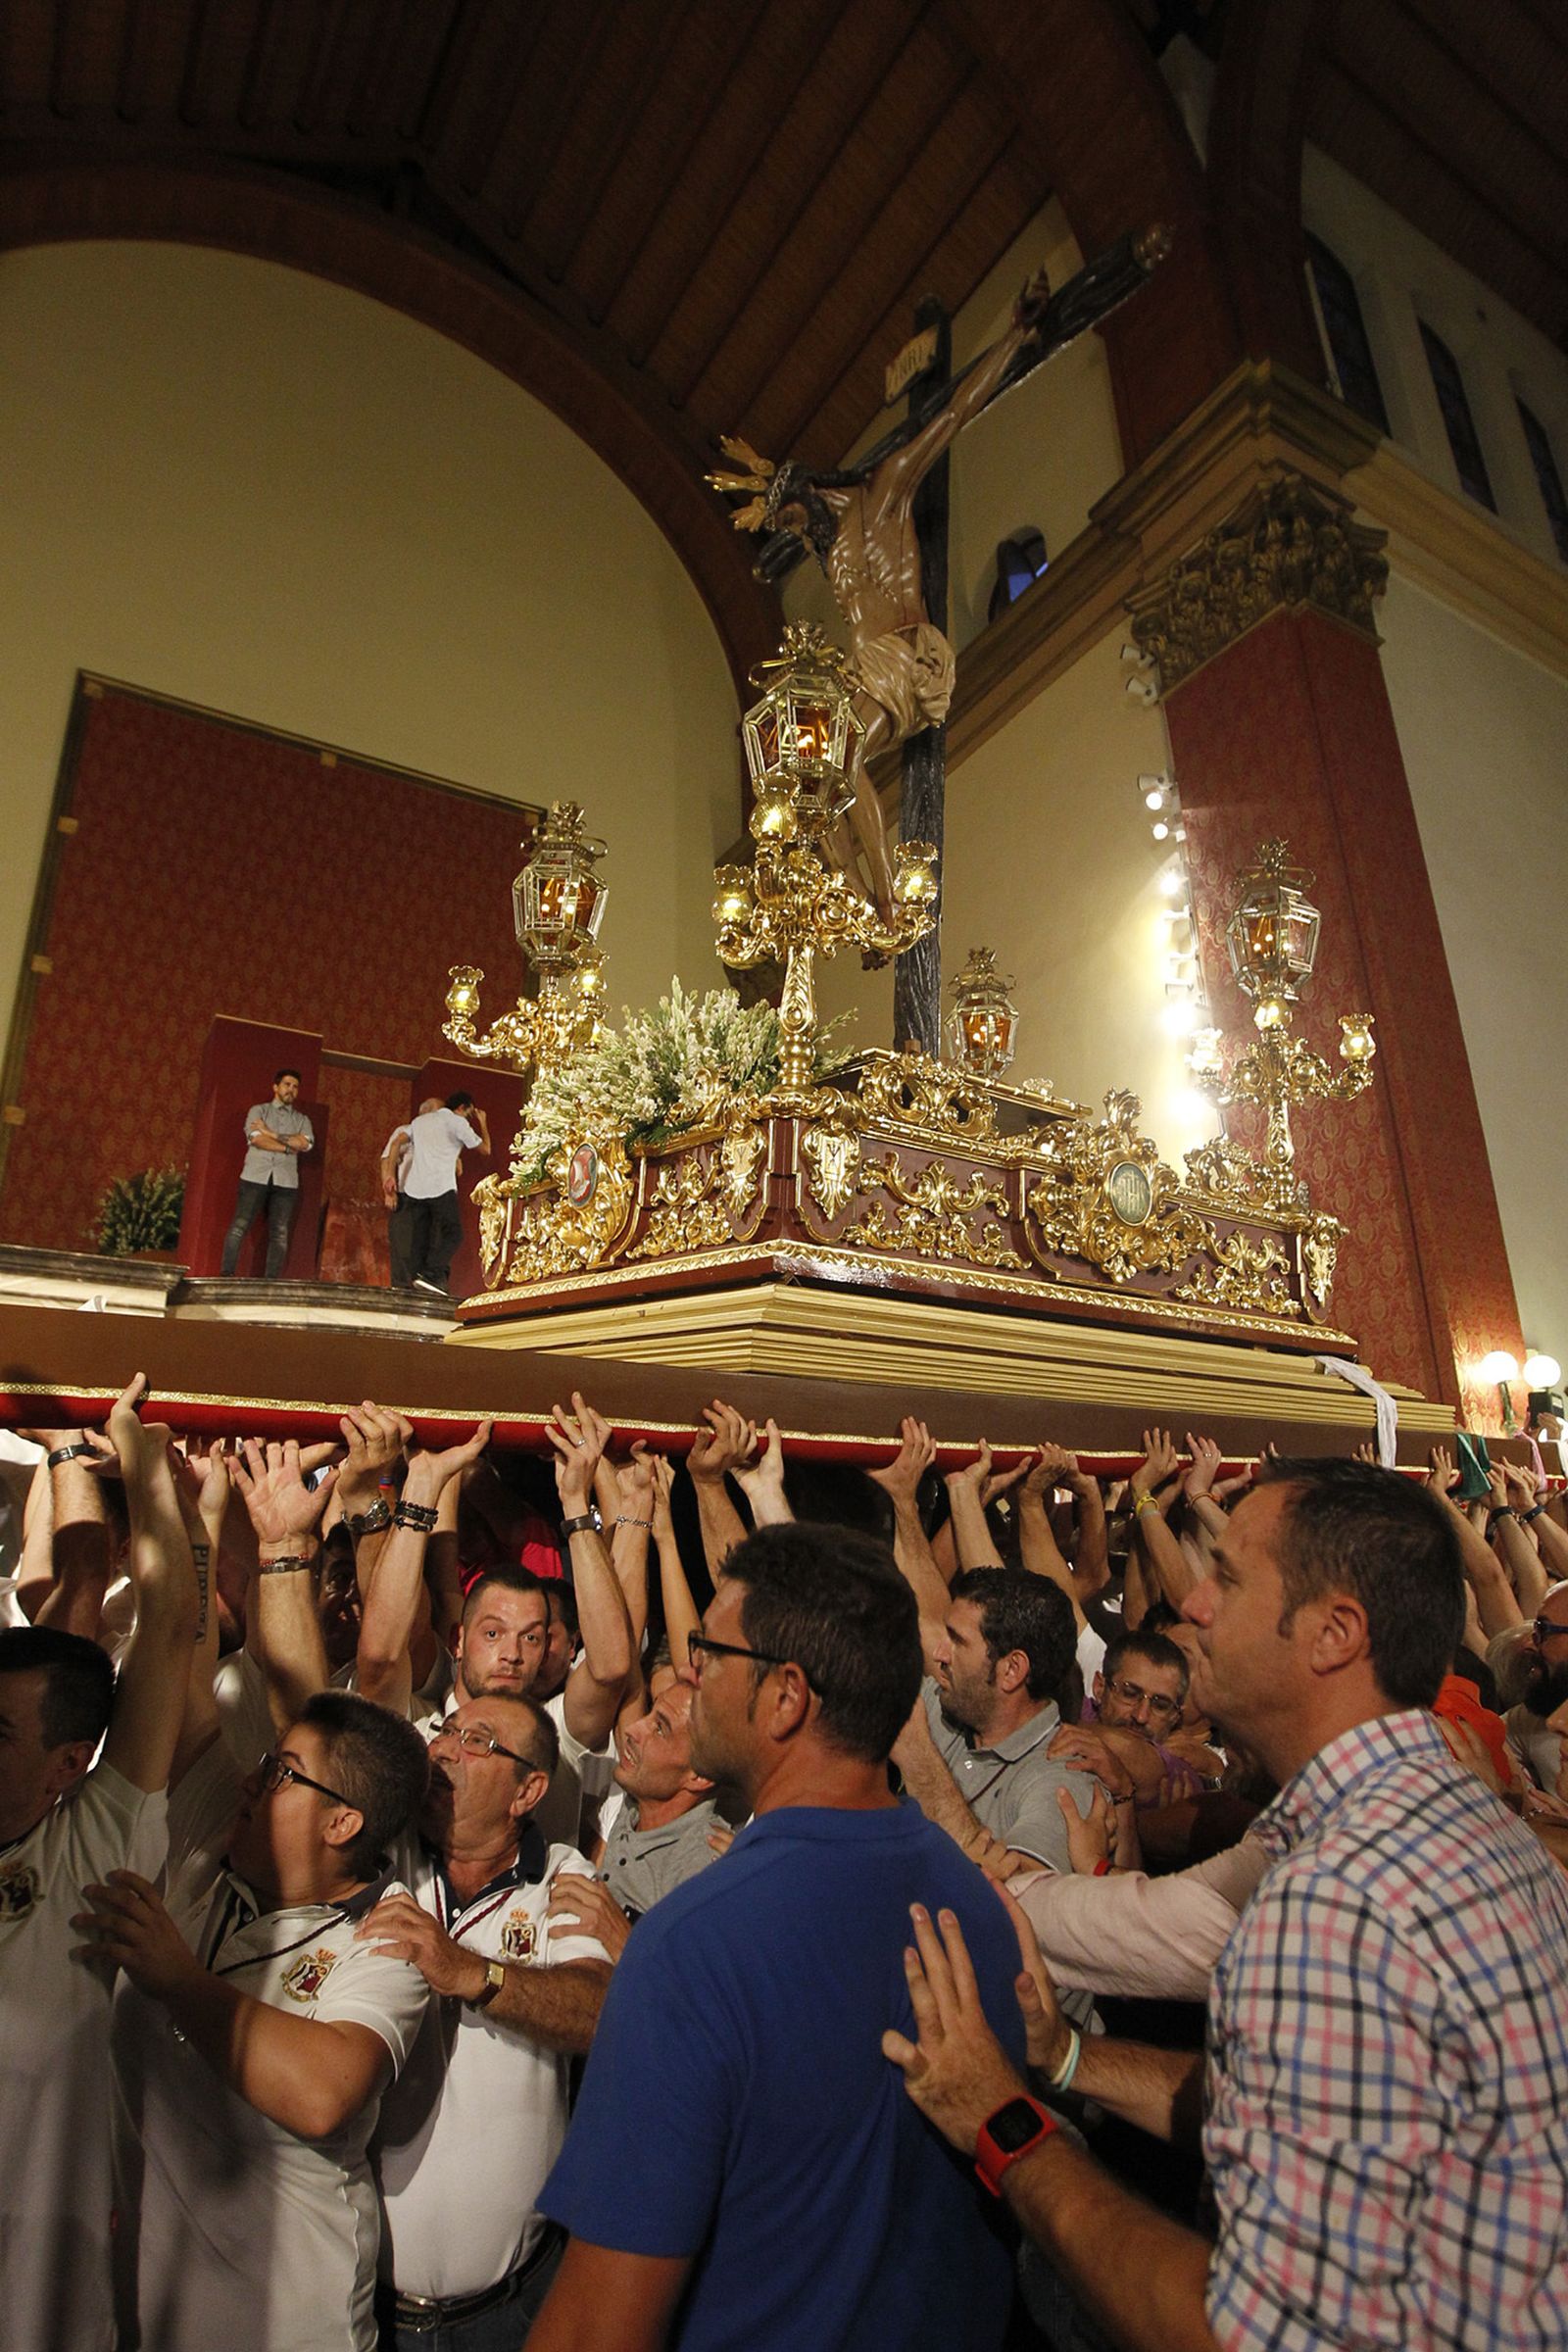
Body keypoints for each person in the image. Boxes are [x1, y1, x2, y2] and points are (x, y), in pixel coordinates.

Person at [885, 1457, 1568, 2352]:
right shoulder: (1445, 1819)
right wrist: (1065, 2058)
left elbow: (1246, 2333)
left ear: (1333, 1635)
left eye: (1230, 1578)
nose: (1195, 1603)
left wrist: (1003, 2124)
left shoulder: (1335, 1906)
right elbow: (1285, 2083)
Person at [525, 1522, 1029, 2352]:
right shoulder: (977, 1908)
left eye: (709, 1654)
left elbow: (594, 2332)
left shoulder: (694, 1945)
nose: (690, 1672)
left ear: (786, 1696)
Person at [707, 269, 1050, 914]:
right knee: (814, 781)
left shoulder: (884, 492)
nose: (790, 534)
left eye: (789, 520)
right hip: (873, 669)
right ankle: (861, 902)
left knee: (834, 758)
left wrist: (1014, 338)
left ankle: (885, 896)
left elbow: (951, 415)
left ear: (806, 493)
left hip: (906, 653)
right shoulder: (826, 541)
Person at [0, 1375, 196, 2352]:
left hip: (43, 2309)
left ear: (67, 1766)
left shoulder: (93, 1846)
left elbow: (167, 1627)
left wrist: (143, 1462)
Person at [356, 1690, 613, 2349]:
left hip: (512, 2310)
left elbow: (597, 2014)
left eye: (477, 1742)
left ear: (526, 1791)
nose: (444, 1750)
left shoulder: (560, 1875)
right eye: (448, 1730)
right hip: (362, 2306)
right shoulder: (383, 1858)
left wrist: (470, 1971)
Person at [893, 1560, 1095, 1878]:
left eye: (957, 1641)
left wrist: (917, 1753)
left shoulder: (1064, 1777)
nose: (939, 1655)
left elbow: (1022, 1893)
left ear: (1011, 1670)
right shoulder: (944, 1702)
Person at [548, 1677, 720, 1959]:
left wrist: (622, 1939)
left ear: (699, 1776)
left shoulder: (705, 1870)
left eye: (660, 1729)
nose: (633, 1729)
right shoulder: (622, 1798)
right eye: (649, 1711)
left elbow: (690, 1998)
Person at [382, 1092, 490, 1297]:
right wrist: (483, 1123)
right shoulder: (457, 1122)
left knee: (419, 1239)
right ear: (462, 1108)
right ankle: (430, 1274)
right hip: (440, 1188)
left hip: (415, 1190)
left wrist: (389, 1176)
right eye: (468, 1114)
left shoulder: (420, 1122)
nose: (468, 1118)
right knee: (454, 1233)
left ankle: (419, 1279)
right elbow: (485, 1149)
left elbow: (396, 1142)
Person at [220, 1066, 315, 1278]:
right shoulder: (258, 1111)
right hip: (255, 1176)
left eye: (295, 1087)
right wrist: (288, 1147)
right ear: (276, 1087)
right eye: (287, 1085)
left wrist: (270, 1132)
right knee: (240, 1225)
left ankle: (270, 1282)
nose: (291, 1089)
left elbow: (305, 1144)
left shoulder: (302, 1120)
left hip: (286, 1182)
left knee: (279, 1233)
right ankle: (226, 1275)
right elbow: (256, 1139)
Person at [380, 1097, 443, 1288]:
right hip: (408, 1199)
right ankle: (401, 1294)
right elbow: (386, 1160)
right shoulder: (405, 1132)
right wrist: (389, 1191)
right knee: (403, 1250)